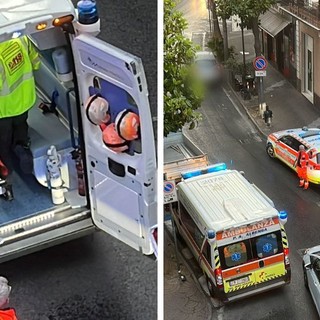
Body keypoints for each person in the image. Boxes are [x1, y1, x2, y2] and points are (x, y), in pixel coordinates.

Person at [0, 35, 40, 182]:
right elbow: (35, 62)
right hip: (24, 99)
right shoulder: (20, 37)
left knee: (2, 142)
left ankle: (6, 176)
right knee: (21, 126)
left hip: (3, 110)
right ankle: (21, 147)